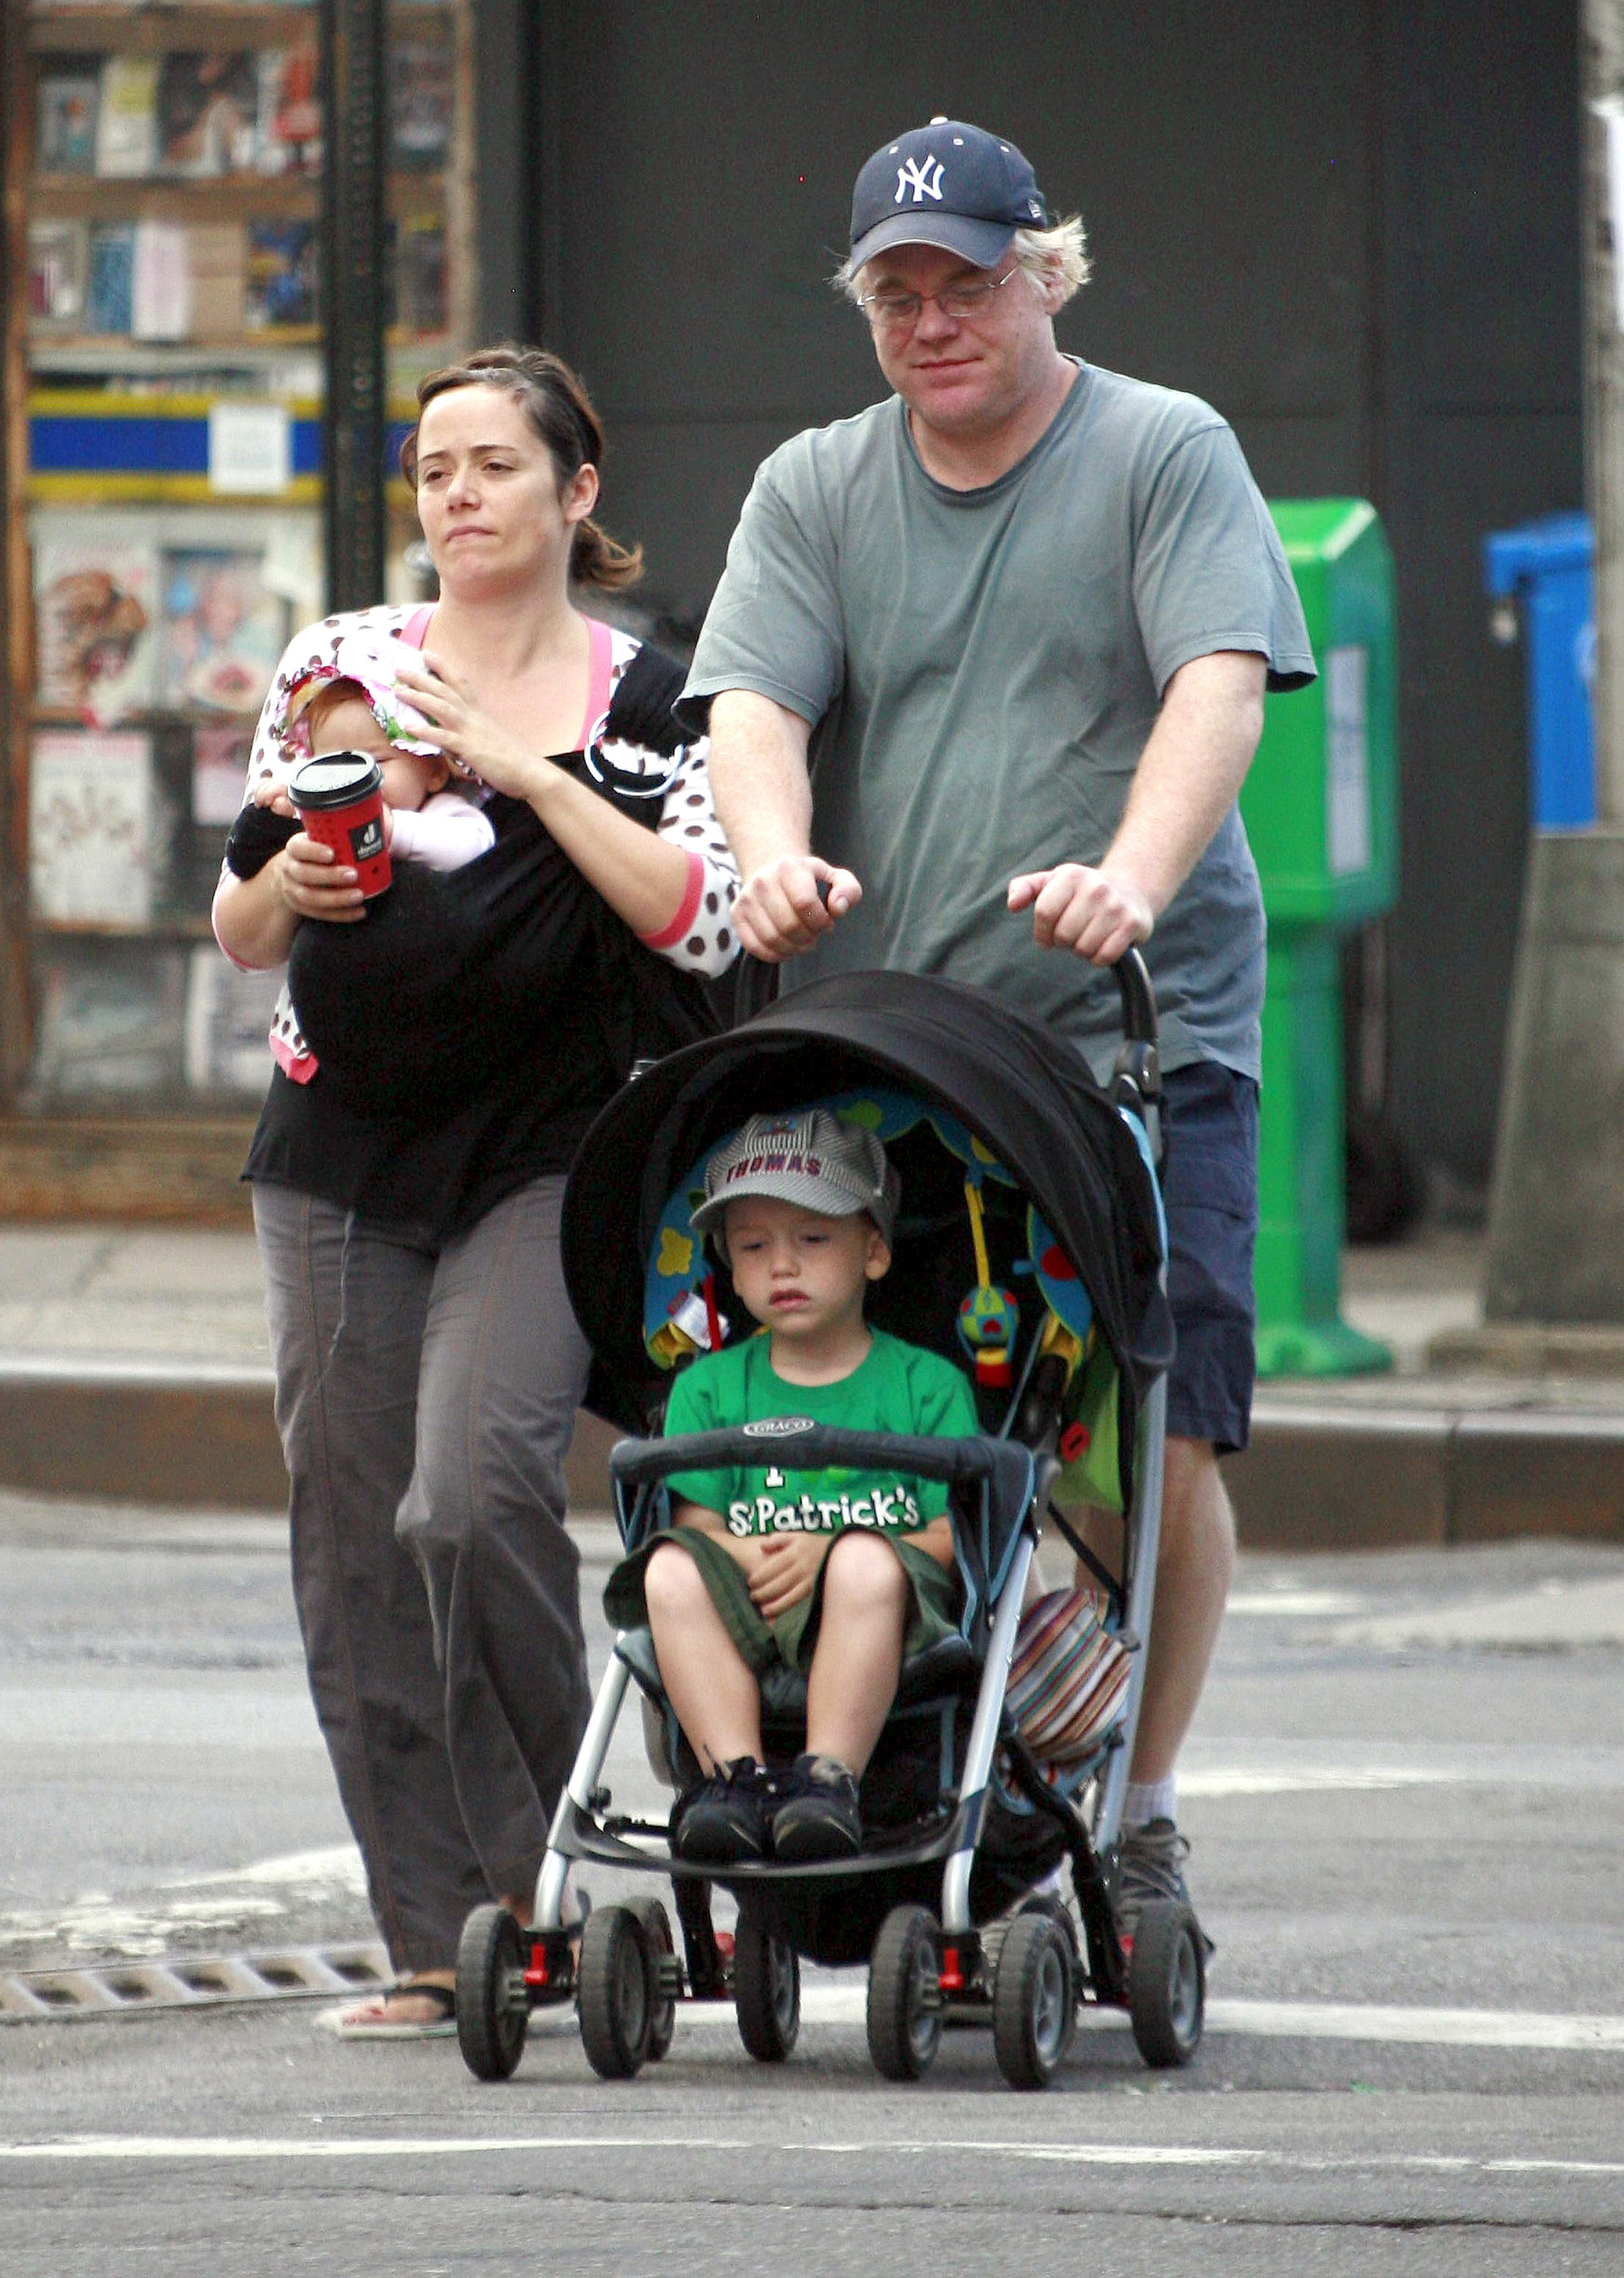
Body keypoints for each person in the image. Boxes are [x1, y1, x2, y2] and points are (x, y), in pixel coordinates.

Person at [682, 120, 1317, 1939]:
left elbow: (1214, 681)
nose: (930, 317)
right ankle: (879, 1765)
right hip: (902, 1044)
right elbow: (752, 708)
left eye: (964, 279)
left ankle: (1137, 1798)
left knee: (1156, 1428)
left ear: (1044, 270)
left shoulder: (1156, 448)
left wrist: (1128, 872)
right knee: (868, 1411)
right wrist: (775, 854)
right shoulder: (813, 482)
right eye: (896, 292)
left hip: (1139, 1031)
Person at [212, 344, 741, 2037]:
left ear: (576, 495)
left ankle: (572, 1878)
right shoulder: (336, 665)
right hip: (339, 1146)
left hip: (545, 1152)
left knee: (467, 1491)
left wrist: (522, 775)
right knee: (352, 1537)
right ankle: (450, 1938)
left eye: (494, 465)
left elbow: (706, 923)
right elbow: (235, 930)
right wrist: (288, 875)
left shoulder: (651, 701)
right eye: (436, 468)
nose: (457, 495)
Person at [604, 1109, 978, 1866]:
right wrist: (750, 1558)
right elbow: (697, 1522)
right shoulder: (708, 1389)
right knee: (670, 1566)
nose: (782, 1266)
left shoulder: (925, 1385)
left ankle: (827, 1778)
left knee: (865, 1562)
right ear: (730, 1267)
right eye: (753, 1246)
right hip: (753, 1597)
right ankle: (732, 1780)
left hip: (886, 1615)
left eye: (812, 1239)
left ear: (873, 1251)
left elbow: (955, 1537)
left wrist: (828, 1553)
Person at [231, 671, 498, 879]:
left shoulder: (440, 813)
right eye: (331, 765)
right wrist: (280, 815)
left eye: (375, 761)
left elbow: (474, 849)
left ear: (435, 772)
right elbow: (246, 862)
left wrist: (392, 830)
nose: (353, 780)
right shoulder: (323, 820)